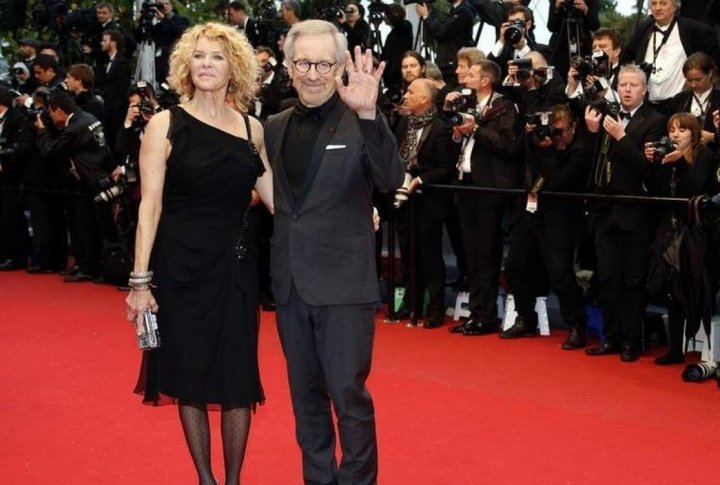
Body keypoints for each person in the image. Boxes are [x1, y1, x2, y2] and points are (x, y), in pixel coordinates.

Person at [124, 22, 273, 485]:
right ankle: (206, 480)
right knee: (186, 372)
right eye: (200, 56)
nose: (206, 64)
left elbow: (279, 202)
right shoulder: (165, 124)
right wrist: (140, 282)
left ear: (236, 68)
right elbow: (150, 205)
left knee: (237, 377)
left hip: (235, 266)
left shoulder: (253, 129)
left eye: (218, 56)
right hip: (179, 267)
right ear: (187, 64)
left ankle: (232, 482)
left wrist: (350, 209)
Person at [264, 19, 404, 484]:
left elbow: (390, 179)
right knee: (305, 398)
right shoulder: (274, 126)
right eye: (302, 61)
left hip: (344, 285)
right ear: (288, 66)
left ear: (340, 64)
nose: (313, 73)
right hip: (290, 284)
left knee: (348, 396)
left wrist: (369, 115)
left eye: (324, 62)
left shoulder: (358, 116)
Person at [583, 64, 666, 362]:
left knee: (633, 280)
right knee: (607, 278)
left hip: (636, 213)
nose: (627, 89)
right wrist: (595, 134)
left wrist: (621, 137)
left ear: (645, 89)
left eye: (633, 85)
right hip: (605, 211)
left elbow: (648, 169)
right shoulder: (609, 118)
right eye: (623, 84)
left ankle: (632, 340)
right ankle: (611, 337)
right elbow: (596, 165)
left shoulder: (655, 121)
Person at [502, 104, 591, 348]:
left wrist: (547, 151)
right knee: (514, 266)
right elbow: (527, 171)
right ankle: (525, 318)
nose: (555, 136)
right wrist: (534, 140)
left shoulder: (580, 150)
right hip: (530, 214)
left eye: (560, 131)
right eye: (553, 130)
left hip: (560, 220)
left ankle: (576, 325)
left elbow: (556, 182)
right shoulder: (538, 143)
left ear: (573, 127)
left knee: (560, 276)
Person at [449, 59, 523, 336]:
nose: (465, 77)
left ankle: (484, 315)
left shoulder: (504, 107)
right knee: (471, 253)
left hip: (489, 188)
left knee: (486, 253)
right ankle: (476, 312)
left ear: (485, 81)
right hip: (464, 184)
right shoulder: (467, 106)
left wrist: (476, 129)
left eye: (471, 74)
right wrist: (458, 132)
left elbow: (508, 146)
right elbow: (454, 142)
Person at [645, 113, 718, 365]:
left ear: (694, 134)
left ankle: (699, 343)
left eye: (682, 130)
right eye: (672, 130)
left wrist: (680, 164)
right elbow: (658, 191)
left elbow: (694, 188)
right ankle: (675, 349)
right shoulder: (667, 156)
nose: (675, 134)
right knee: (670, 289)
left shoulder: (705, 156)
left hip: (696, 233)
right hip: (669, 229)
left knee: (692, 288)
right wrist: (654, 162)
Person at [394, 78, 459, 328]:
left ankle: (435, 310)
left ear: (425, 99)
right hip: (404, 198)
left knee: (430, 257)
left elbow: (445, 167)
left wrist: (420, 179)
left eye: (411, 92)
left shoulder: (440, 128)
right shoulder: (404, 123)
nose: (406, 95)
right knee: (408, 254)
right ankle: (410, 305)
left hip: (429, 201)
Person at [623, 0, 720, 115]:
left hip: (679, 106)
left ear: (675, 7)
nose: (657, 8)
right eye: (654, 4)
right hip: (646, 106)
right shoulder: (643, 28)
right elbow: (626, 56)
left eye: (663, 3)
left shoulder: (693, 29)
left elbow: (713, 55)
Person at [415, 0, 475, 87]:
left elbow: (441, 32)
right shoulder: (456, 9)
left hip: (452, 67)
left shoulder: (464, 10)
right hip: (449, 65)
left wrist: (426, 16)